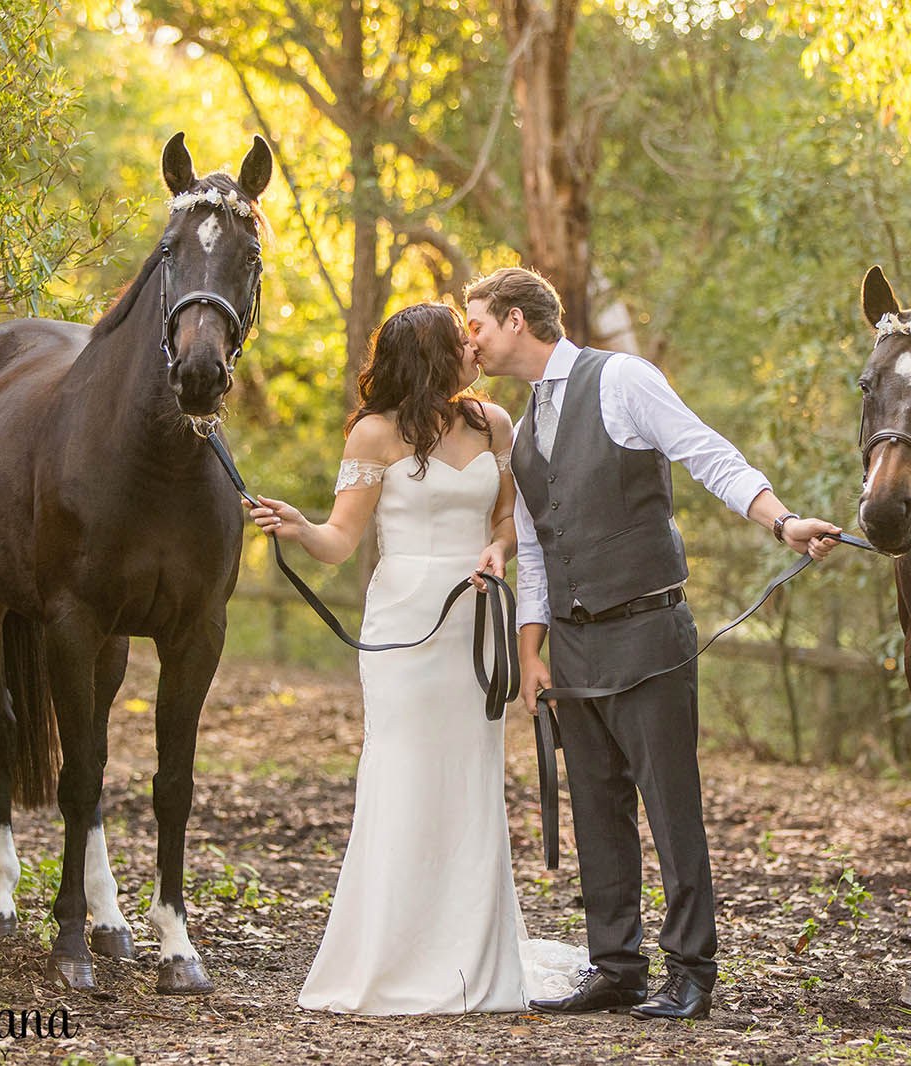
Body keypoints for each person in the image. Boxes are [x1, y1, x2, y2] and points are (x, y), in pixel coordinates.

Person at [463, 267, 841, 1021]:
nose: (468, 338)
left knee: (671, 807)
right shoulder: (524, 419)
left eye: (475, 322)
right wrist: (531, 652)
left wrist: (781, 520)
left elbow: (708, 454)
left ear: (513, 319)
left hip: (647, 631)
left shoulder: (621, 380)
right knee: (597, 810)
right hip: (572, 647)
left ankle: (692, 970)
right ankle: (617, 967)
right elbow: (536, 548)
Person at [245, 302, 584, 1014]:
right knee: (400, 773)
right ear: (430, 354)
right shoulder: (374, 434)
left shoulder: (492, 421)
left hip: (475, 615)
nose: (473, 344)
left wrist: (498, 551)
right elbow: (341, 540)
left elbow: (505, 518)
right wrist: (301, 527)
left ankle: (471, 953)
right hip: (405, 619)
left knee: (471, 774)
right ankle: (391, 953)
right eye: (459, 338)